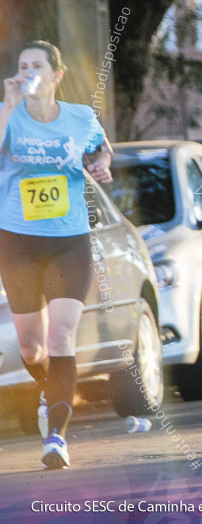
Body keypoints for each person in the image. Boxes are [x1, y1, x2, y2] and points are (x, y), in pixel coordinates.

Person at [0, 41, 114, 469]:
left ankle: (56, 438)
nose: (28, 72)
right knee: (31, 349)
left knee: (60, 336)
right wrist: (9, 105)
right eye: (22, 66)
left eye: (37, 66)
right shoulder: (6, 115)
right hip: (17, 241)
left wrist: (101, 163)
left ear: (56, 75)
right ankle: (49, 393)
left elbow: (102, 147)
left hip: (69, 239)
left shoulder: (80, 116)